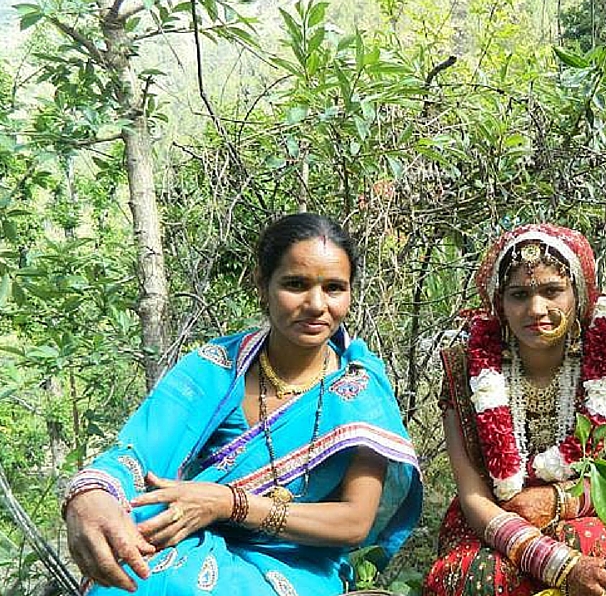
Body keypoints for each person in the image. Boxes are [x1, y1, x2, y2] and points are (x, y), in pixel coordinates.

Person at [61, 213, 423, 594]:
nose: (317, 304)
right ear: (262, 285)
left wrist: (228, 504)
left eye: (334, 288)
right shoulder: (215, 369)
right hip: (189, 544)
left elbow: (354, 522)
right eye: (296, 284)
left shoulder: (360, 391)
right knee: (132, 582)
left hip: (298, 563)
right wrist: (91, 496)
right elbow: (136, 453)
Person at [424, 224, 606, 596]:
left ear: (579, 294)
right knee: (475, 572)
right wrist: (552, 562)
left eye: (552, 291)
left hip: (583, 514)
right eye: (519, 295)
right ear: (499, 303)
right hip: (489, 519)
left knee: (589, 548)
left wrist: (556, 501)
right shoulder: (464, 368)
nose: (536, 309)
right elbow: (472, 493)